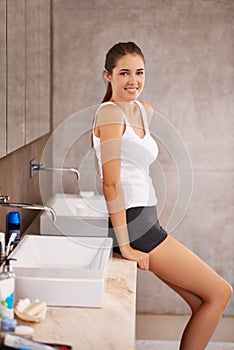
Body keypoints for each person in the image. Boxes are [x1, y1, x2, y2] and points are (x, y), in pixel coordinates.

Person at [92, 41, 232, 350]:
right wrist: (125, 244)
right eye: (124, 73)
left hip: (145, 221)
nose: (133, 81)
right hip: (133, 225)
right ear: (108, 76)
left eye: (139, 72)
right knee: (221, 293)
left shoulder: (144, 111)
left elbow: (136, 169)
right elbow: (110, 183)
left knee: (201, 302)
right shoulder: (109, 114)